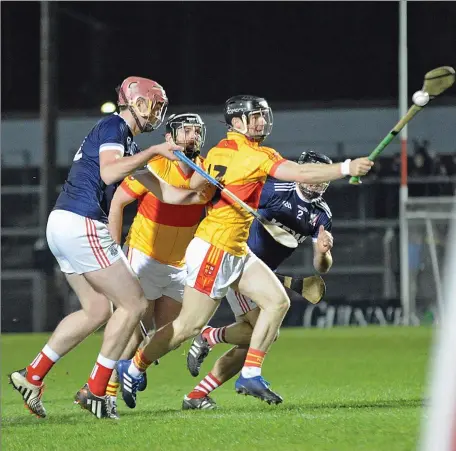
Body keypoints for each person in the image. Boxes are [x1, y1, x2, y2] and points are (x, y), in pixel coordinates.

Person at [117, 95, 373, 409]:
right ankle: (134, 365)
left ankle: (250, 372)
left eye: (264, 115)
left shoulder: (221, 150)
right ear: (237, 122)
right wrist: (346, 167)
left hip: (237, 248)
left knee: (277, 302)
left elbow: (202, 191)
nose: (262, 122)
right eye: (255, 117)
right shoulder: (257, 155)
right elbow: (302, 174)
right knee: (188, 326)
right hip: (215, 248)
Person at [8, 76, 184, 419]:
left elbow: (170, 194)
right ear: (136, 101)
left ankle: (32, 375)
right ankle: (96, 389)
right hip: (81, 221)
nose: (157, 112)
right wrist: (154, 151)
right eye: (155, 104)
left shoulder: (129, 145)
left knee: (97, 310)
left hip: (62, 223)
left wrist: (209, 194)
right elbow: (108, 173)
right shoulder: (115, 126)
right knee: (133, 304)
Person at [183, 151, 335, 409]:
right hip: (240, 262)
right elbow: (231, 205)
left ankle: (197, 393)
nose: (317, 182)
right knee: (266, 332)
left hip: (259, 277)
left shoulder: (321, 214)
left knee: (258, 338)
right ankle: (214, 342)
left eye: (323, 178)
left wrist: (323, 252)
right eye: (313, 174)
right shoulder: (274, 188)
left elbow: (321, 267)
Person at [104, 113, 211, 418]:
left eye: (196, 131)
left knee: (172, 333)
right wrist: (114, 250)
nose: (192, 136)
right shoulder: (155, 166)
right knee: (134, 332)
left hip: (179, 263)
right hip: (144, 257)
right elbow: (117, 203)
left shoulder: (207, 170)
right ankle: (103, 393)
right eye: (185, 131)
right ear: (169, 138)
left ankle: (134, 367)